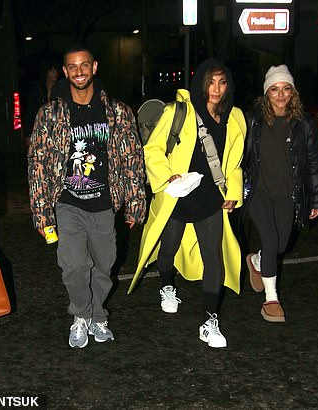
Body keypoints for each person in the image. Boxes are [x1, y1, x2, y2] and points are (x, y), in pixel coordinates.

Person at [27, 44, 146, 349]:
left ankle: (97, 315)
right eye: (72, 67)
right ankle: (82, 315)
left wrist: (135, 201)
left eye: (84, 65)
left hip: (105, 204)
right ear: (65, 72)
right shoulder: (51, 114)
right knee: (75, 265)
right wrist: (41, 211)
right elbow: (38, 162)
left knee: (105, 265)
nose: (78, 71)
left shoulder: (118, 112)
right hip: (67, 202)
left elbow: (132, 157)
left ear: (94, 68)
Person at [130, 58, 246, 348]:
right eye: (210, 82)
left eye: (222, 82)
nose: (216, 89)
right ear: (200, 83)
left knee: (214, 259)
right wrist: (168, 178)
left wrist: (233, 191)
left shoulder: (234, 118)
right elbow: (152, 150)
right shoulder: (178, 112)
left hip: (210, 199)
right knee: (168, 248)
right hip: (178, 196)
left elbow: (234, 163)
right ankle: (167, 285)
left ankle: (210, 321)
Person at [243, 65, 318, 323]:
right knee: (270, 240)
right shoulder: (253, 119)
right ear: (266, 93)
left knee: (281, 244)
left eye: (285, 89)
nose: (280, 95)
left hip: (287, 193)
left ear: (293, 92)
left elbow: (313, 161)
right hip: (258, 191)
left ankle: (256, 261)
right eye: (275, 89)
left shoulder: (304, 123)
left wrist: (317, 197)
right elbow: (238, 152)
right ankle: (271, 298)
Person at [24, 60, 60, 139]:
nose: (55, 73)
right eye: (52, 70)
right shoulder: (38, 91)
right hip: (41, 131)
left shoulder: (61, 90)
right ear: (46, 72)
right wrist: (28, 134)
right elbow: (31, 112)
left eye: (56, 70)